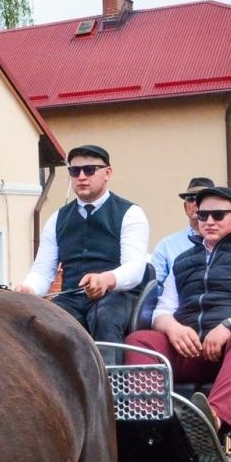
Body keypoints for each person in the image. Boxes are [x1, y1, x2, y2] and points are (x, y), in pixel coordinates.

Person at [124, 185, 231, 438]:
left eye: (218, 215)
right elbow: (162, 311)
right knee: (139, 341)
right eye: (202, 215)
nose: (208, 221)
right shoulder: (183, 262)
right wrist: (173, 328)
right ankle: (150, 425)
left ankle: (211, 422)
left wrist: (229, 326)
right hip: (195, 351)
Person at [16, 145, 150, 344]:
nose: (81, 176)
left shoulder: (130, 214)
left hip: (118, 297)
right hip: (71, 298)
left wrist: (106, 279)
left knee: (105, 318)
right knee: (42, 322)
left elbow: (135, 268)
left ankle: (111, 375)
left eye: (89, 170)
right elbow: (43, 270)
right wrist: (30, 289)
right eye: (74, 171)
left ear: (108, 173)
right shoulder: (57, 219)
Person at [150, 176, 214, 288]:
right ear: (185, 207)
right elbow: (154, 288)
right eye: (191, 199)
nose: (196, 203)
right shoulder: (167, 245)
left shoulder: (227, 243)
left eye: (202, 198)